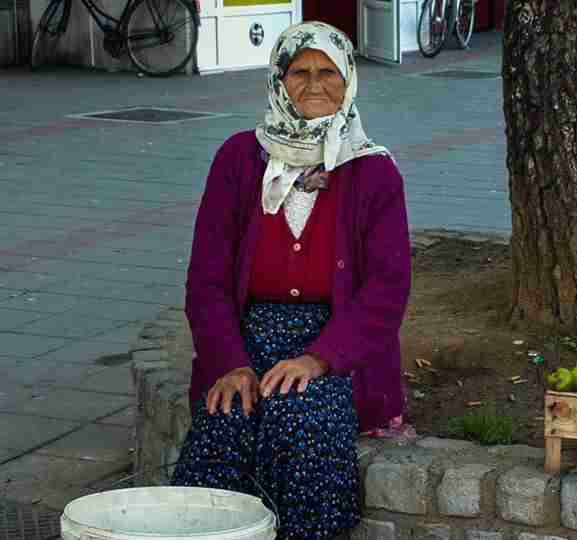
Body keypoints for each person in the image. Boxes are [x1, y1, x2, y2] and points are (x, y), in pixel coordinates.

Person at [171, 21, 411, 540]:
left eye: (328, 72)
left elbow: (386, 292)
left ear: (348, 80)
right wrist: (229, 364)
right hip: (251, 335)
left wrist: (317, 358)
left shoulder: (374, 173)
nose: (314, 84)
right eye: (298, 72)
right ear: (279, 82)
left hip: (336, 343)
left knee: (302, 420)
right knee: (226, 418)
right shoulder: (238, 158)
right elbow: (207, 279)